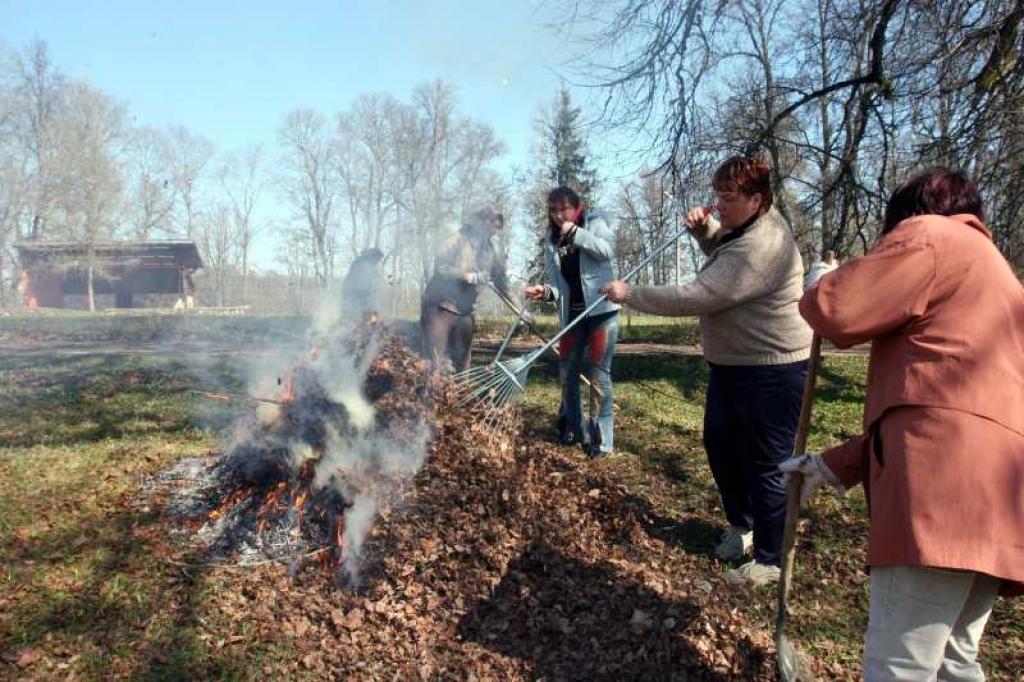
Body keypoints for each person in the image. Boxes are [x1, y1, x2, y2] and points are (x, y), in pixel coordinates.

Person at [783, 168, 1024, 681]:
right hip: (1001, 500)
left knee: (900, 667)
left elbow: (837, 310)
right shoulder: (1000, 277)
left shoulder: (932, 236)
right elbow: (951, 406)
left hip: (940, 505)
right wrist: (832, 465)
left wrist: (818, 286)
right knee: (954, 664)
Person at [601, 156, 812, 586]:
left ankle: (770, 561)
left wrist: (632, 293)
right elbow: (723, 254)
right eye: (717, 195)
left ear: (757, 199)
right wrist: (705, 233)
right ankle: (744, 526)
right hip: (733, 366)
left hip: (773, 369)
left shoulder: (765, 244)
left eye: (728, 198)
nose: (718, 205)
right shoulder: (744, 230)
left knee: (769, 463)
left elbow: (701, 294)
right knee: (721, 445)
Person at [525, 186, 620, 458]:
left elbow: (606, 251)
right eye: (553, 210)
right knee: (567, 373)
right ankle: (575, 430)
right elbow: (557, 286)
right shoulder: (551, 240)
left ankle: (602, 441)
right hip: (572, 317)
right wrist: (544, 292)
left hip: (602, 312)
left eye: (563, 209)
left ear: (576, 207)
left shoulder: (595, 223)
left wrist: (576, 234)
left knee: (599, 376)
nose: (558, 215)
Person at [421, 205, 512, 373]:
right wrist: (468, 276)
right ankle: (430, 393)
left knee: (463, 363)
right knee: (435, 361)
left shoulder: (489, 251)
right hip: (440, 307)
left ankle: (462, 395)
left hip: (464, 312)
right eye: (492, 226)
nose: (494, 232)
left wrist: (521, 310)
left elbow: (501, 281)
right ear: (481, 223)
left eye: (497, 229)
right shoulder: (456, 240)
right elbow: (441, 267)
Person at [341, 248, 385, 323]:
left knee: (364, 313)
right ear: (373, 256)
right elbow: (359, 283)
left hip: (358, 294)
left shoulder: (368, 265)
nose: (377, 262)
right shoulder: (362, 264)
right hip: (353, 294)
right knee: (353, 313)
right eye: (377, 259)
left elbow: (374, 279)